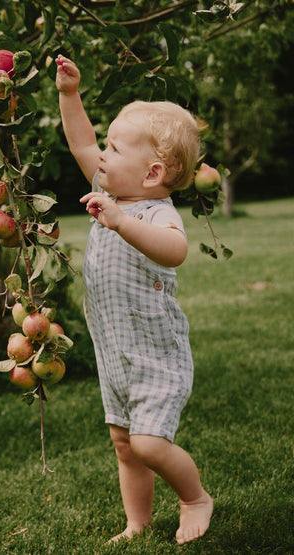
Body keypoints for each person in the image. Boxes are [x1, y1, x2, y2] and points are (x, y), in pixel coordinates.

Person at [55, 54, 213, 546]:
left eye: (115, 148)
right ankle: (137, 523)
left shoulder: (152, 214)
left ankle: (194, 498)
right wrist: (68, 94)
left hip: (155, 354)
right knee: (124, 444)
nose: (102, 153)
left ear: (151, 174)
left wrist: (122, 224)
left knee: (147, 442)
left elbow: (177, 251)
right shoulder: (109, 189)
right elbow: (81, 140)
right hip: (115, 350)